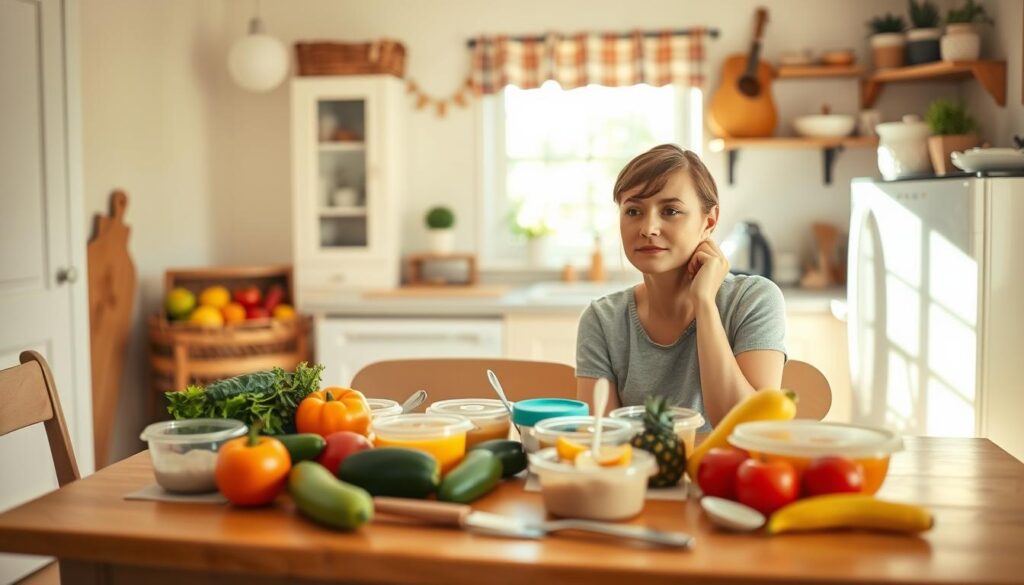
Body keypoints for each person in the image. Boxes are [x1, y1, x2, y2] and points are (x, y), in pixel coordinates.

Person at [575, 144, 786, 428]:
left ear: (709, 222)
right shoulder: (602, 320)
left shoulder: (754, 300)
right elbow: (603, 444)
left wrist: (704, 303)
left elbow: (748, 428)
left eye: (671, 211)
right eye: (634, 210)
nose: (648, 228)